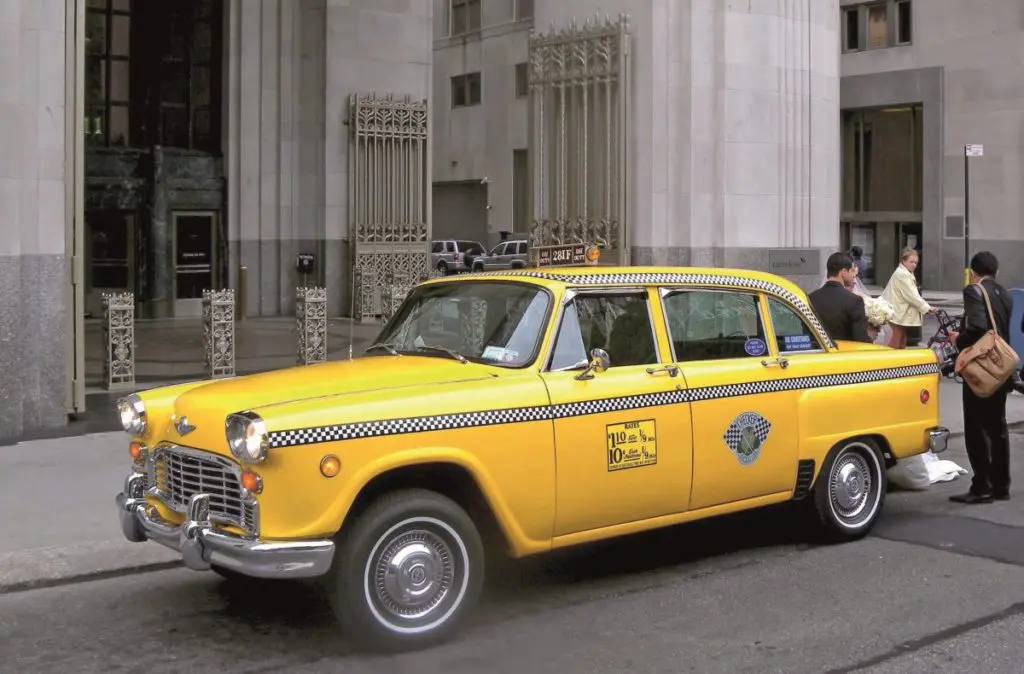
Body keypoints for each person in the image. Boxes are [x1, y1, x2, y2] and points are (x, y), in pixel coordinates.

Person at [947, 251, 1013, 504]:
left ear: (973, 272)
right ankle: (1001, 485)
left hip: (982, 370)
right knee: (998, 428)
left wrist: (958, 339)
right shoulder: (1005, 293)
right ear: (996, 272)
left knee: (975, 428)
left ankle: (981, 485)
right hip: (1001, 368)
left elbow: (976, 327)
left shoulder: (974, 290)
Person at [808, 252, 872, 344]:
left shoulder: (811, 298)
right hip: (844, 355)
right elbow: (861, 341)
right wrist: (871, 335)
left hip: (818, 355)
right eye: (851, 271)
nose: (853, 276)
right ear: (844, 272)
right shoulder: (855, 301)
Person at [881, 248, 934, 349]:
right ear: (903, 261)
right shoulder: (902, 275)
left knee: (901, 341)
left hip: (899, 313)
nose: (914, 264)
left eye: (916, 262)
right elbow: (912, 296)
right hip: (898, 314)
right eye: (911, 262)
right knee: (896, 342)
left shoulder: (905, 273)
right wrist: (927, 308)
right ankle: (893, 363)